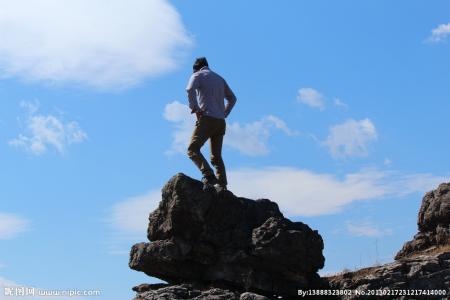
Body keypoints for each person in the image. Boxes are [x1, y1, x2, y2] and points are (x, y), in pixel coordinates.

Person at [186, 57, 237, 191]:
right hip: (220, 122)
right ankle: (222, 185)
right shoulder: (220, 79)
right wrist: (225, 113)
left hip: (207, 118)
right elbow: (232, 98)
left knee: (192, 149)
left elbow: (190, 89)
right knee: (216, 156)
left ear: (195, 68)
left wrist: (195, 108)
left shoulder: (197, 75)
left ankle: (208, 174)